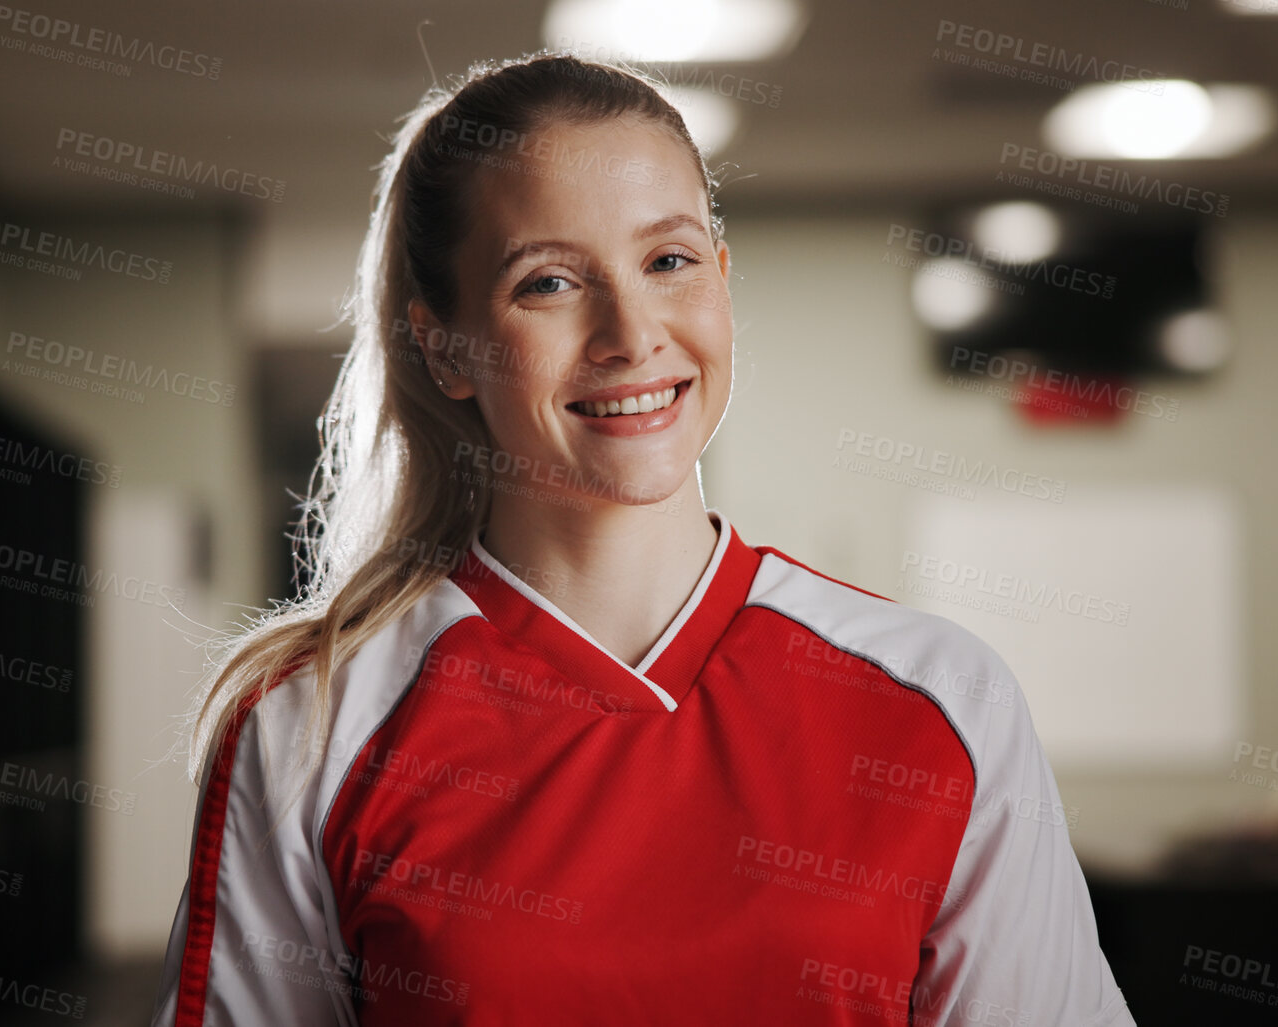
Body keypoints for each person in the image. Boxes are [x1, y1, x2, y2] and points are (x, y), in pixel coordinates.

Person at [152, 52, 1135, 1027]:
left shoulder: (945, 701)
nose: (630, 334)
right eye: (547, 282)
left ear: (722, 280)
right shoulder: (311, 725)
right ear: (445, 346)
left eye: (668, 261)